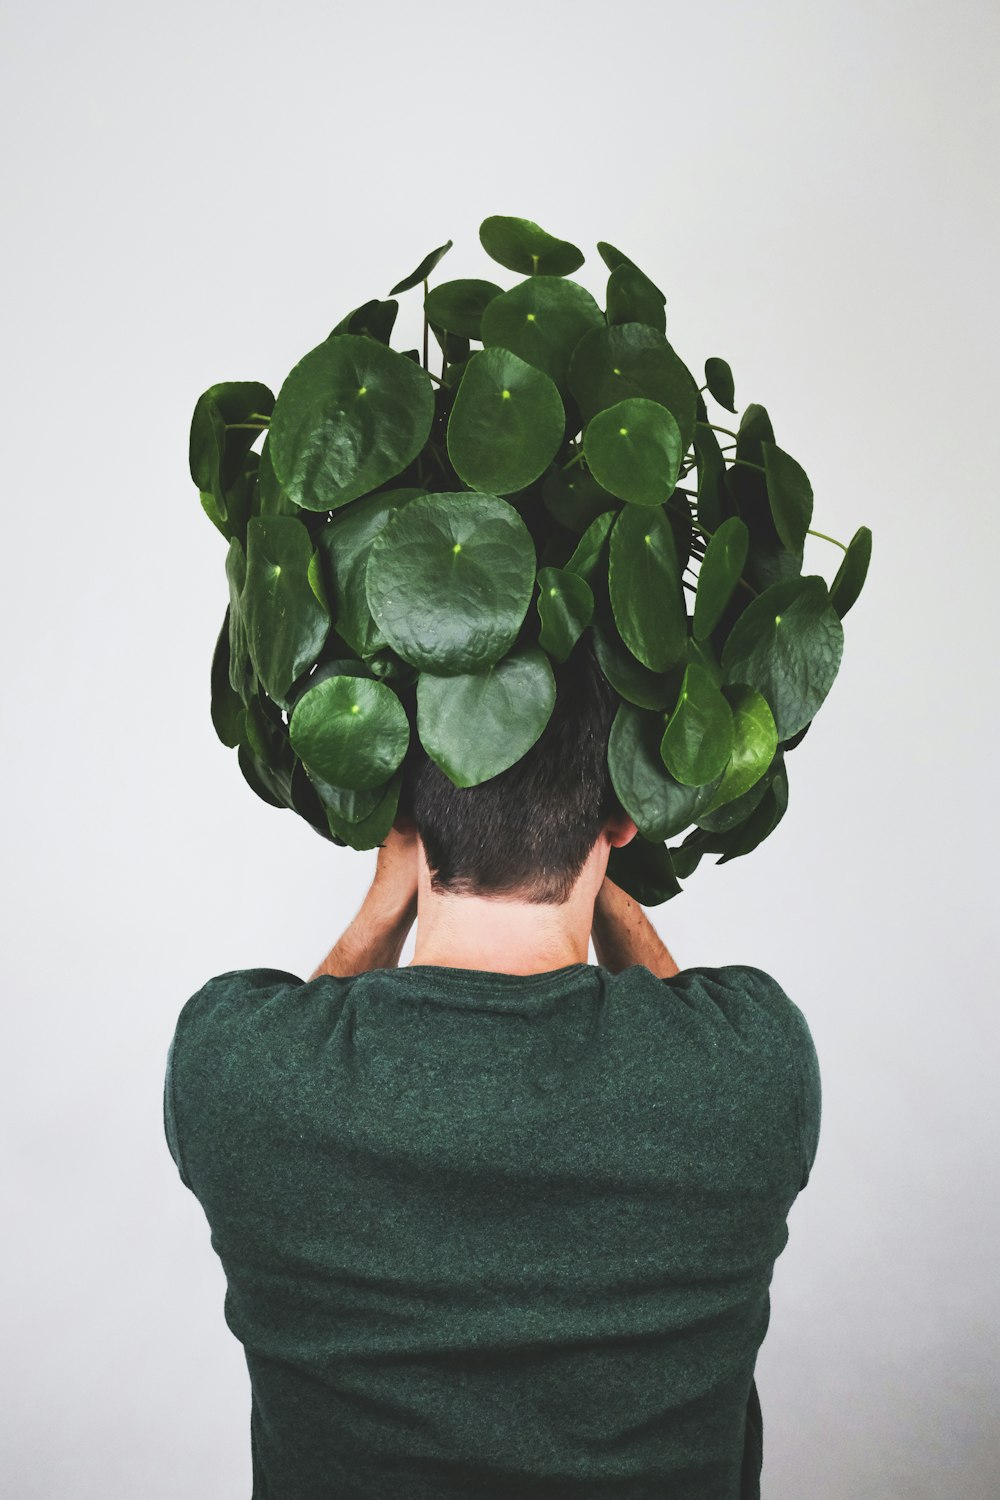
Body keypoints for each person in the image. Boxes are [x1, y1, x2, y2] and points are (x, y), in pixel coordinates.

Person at [164, 634, 821, 1500]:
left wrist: (387, 892)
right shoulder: (755, 1069)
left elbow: (296, 1033)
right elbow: (696, 1027)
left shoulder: (234, 1073)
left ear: (403, 812)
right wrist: (598, 855)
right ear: (623, 819)